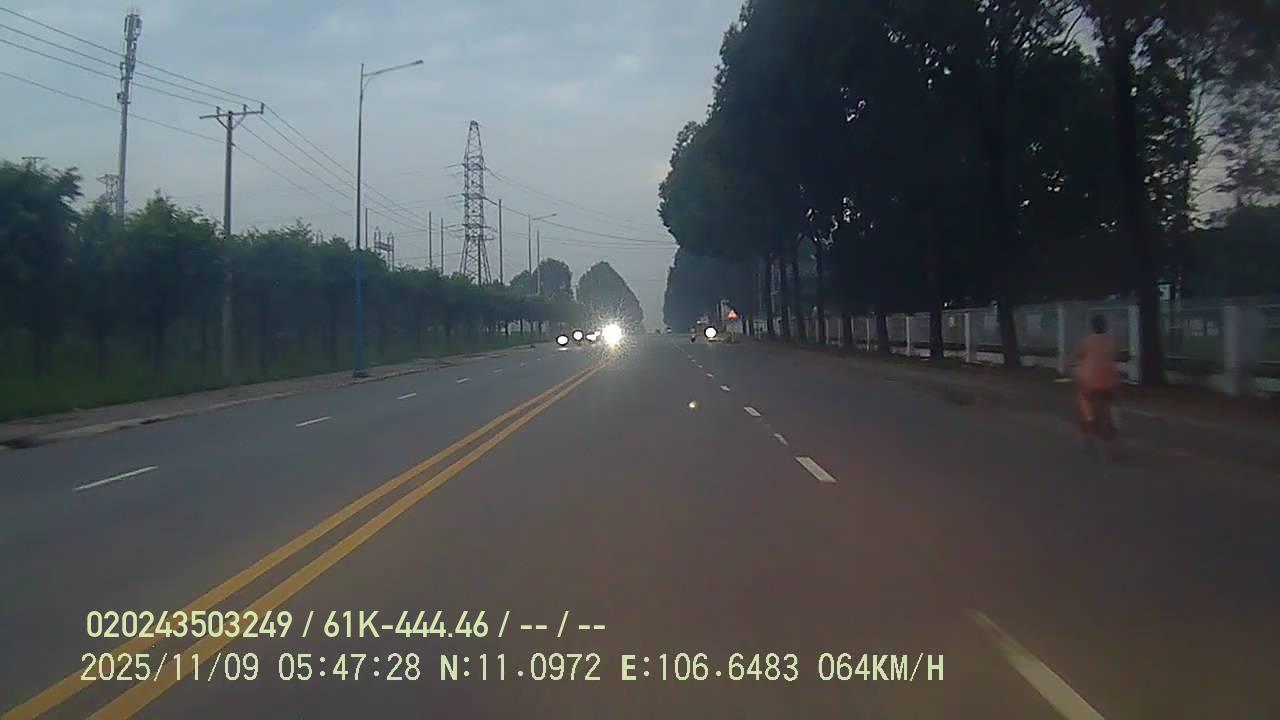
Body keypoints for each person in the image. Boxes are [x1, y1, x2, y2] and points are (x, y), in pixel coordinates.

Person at [1073, 314, 1120, 450]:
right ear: (1105, 326)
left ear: (1092, 327)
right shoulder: (1111, 341)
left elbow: (1078, 355)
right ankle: (1114, 425)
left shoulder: (1087, 340)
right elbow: (1114, 355)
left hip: (1090, 381)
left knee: (1083, 400)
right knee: (1111, 403)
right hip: (1110, 380)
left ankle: (1088, 424)